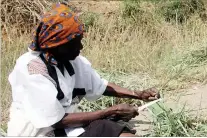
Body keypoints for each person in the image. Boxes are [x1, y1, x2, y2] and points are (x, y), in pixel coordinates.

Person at [7, 3, 159, 137]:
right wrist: (110, 112)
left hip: (67, 130)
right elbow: (57, 121)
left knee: (108, 127)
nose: (81, 47)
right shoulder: (32, 69)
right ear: (58, 45)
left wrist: (136, 94)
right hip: (39, 133)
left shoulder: (71, 61)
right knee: (104, 125)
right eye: (75, 43)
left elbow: (101, 85)